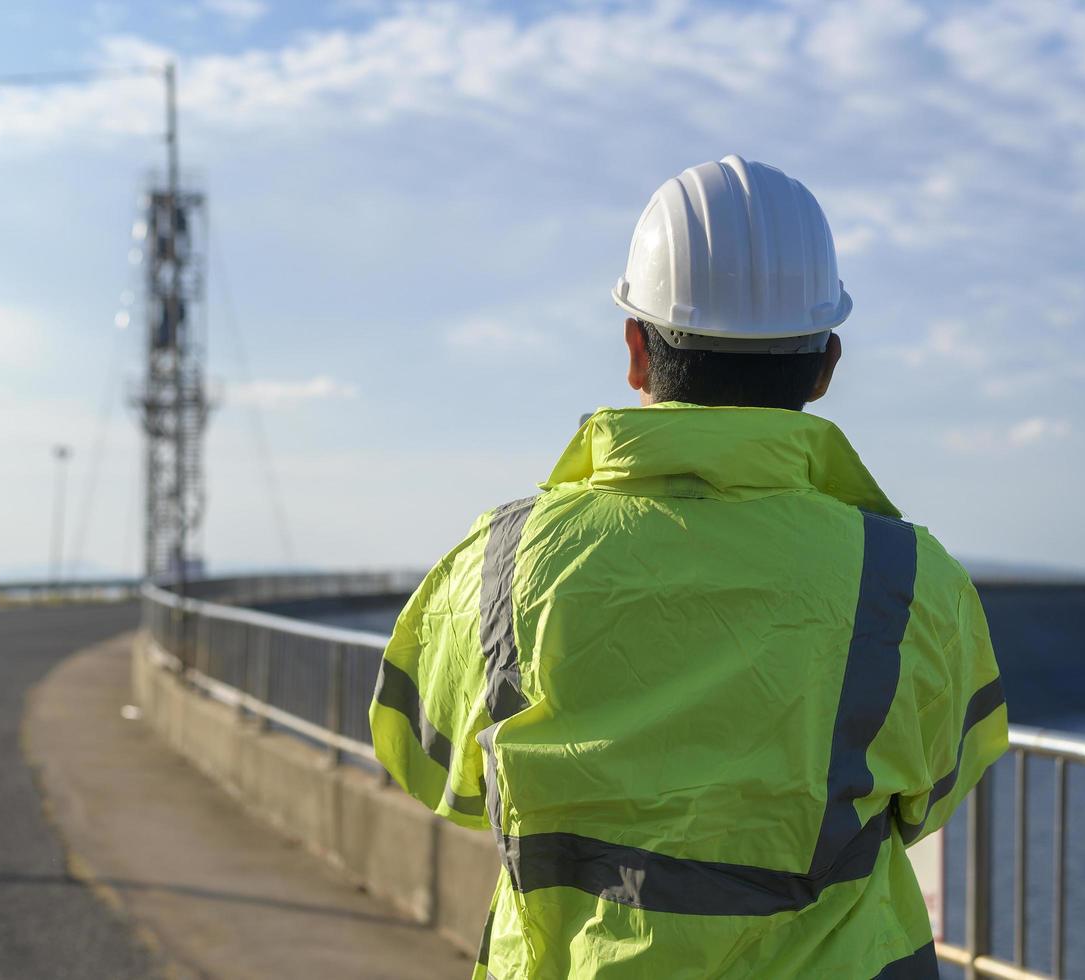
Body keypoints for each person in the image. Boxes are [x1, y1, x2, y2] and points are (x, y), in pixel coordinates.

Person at [371, 154, 1007, 979]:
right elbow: (934, 791)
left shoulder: (504, 560)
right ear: (825, 367)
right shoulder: (908, 579)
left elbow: (430, 768)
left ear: (636, 349)